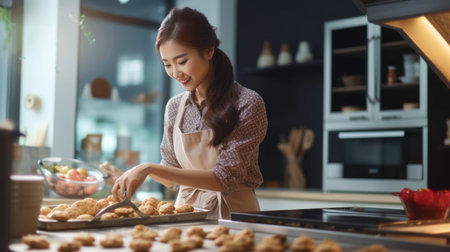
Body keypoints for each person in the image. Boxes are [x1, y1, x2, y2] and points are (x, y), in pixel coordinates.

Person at [101, 7, 267, 219]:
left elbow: (222, 179)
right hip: (185, 215)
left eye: (182, 61)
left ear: (208, 51)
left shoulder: (247, 102)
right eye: (167, 64)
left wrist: (147, 168)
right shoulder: (175, 107)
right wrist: (129, 174)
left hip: (234, 217)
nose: (175, 73)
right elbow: (170, 175)